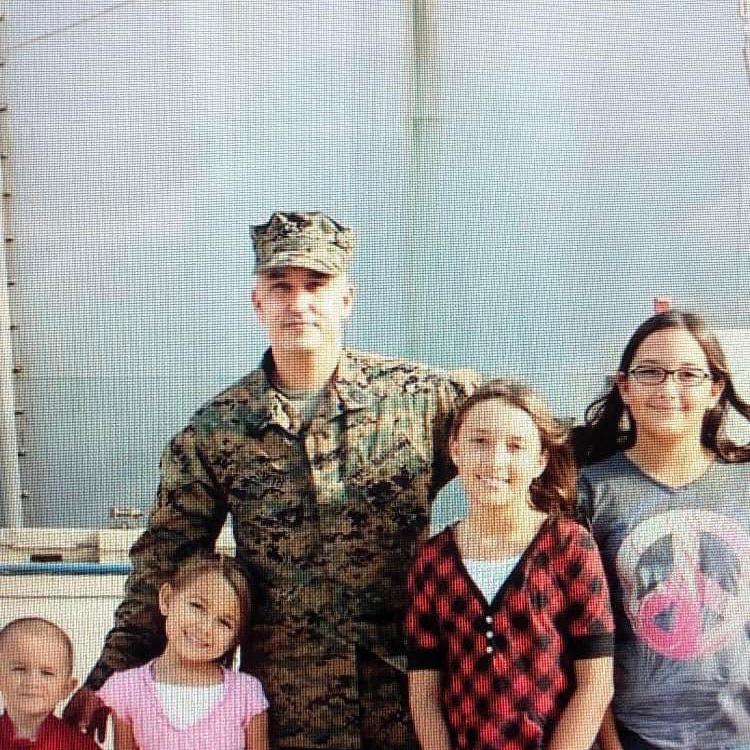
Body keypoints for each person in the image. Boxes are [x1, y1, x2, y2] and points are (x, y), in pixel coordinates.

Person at [64, 211, 476, 750]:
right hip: (284, 706)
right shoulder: (218, 430)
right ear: (258, 301)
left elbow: (532, 443)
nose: (298, 303)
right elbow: (167, 557)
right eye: (280, 287)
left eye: (316, 285)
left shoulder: (422, 402)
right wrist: (110, 673)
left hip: (407, 694)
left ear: (346, 298)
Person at [574, 310, 750, 750]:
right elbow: (581, 637)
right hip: (637, 735)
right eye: (650, 372)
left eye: (689, 374)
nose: (668, 389)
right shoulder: (591, 491)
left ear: (715, 390)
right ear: (624, 387)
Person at [406, 379, 614, 750]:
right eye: (479, 441)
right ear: (455, 449)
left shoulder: (569, 545)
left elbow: (596, 684)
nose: (495, 460)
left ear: (540, 460)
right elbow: (424, 693)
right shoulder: (432, 560)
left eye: (515, 446)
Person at [97, 551, 268, 750]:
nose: (205, 628)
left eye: (224, 622)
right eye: (197, 606)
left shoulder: (247, 694)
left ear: (236, 637)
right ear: (167, 600)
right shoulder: (127, 689)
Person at [0, 617, 99, 749]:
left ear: (66, 688)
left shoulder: (80, 746)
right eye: (19, 669)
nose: (32, 682)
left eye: (47, 673)